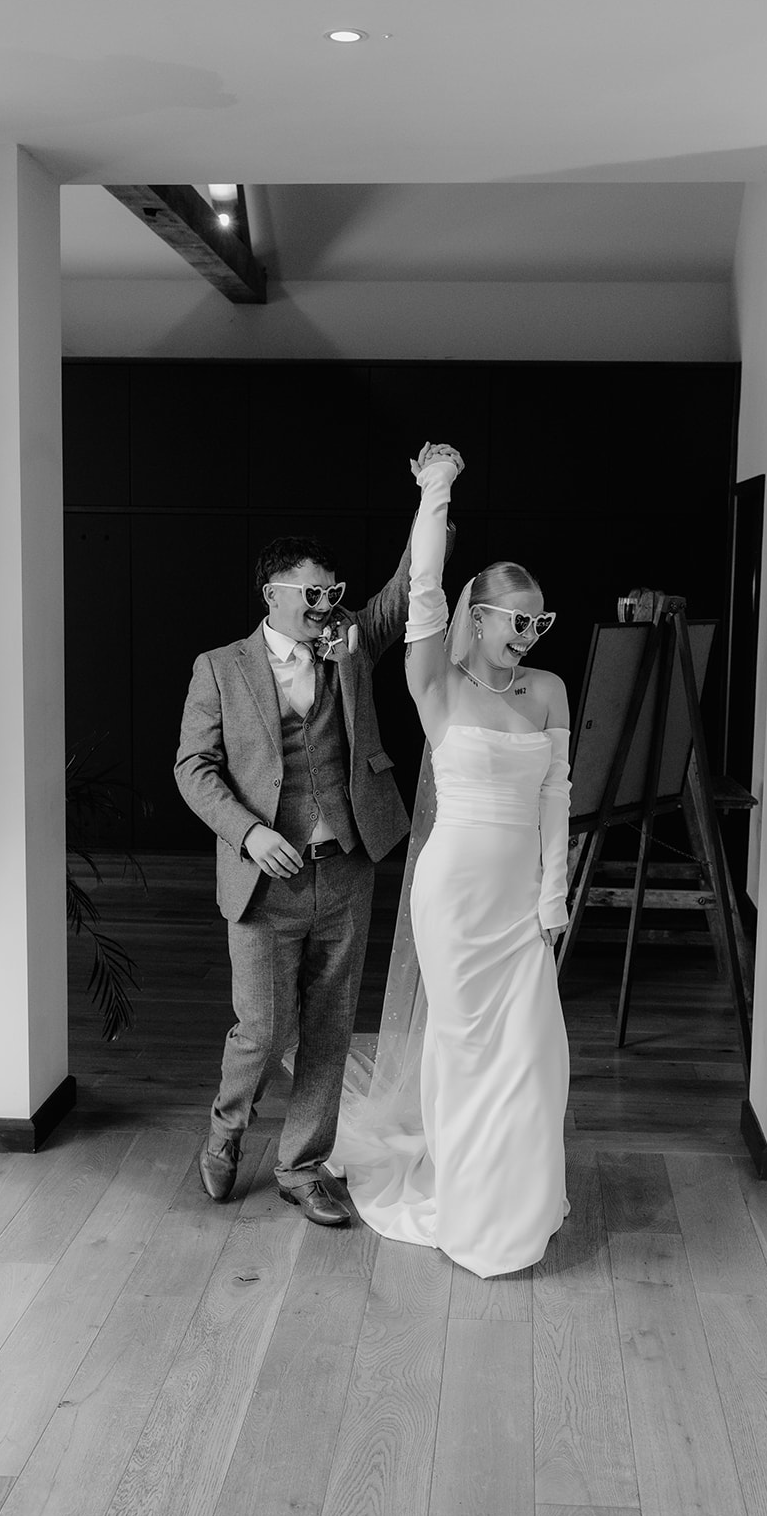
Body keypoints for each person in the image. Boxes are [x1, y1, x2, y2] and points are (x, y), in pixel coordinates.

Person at [339, 442, 572, 1278]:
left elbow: (556, 798)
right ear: (478, 617)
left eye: (540, 623)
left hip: (518, 905)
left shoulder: (546, 690)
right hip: (452, 900)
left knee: (535, 1058)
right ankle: (471, 1203)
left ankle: (519, 1201)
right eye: (519, 620)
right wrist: (436, 490)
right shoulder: (435, 684)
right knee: (468, 1052)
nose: (531, 635)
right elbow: (426, 587)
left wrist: (553, 901)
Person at [175, 530, 416, 1226]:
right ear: (271, 595)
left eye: (332, 593)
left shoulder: (349, 647)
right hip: (263, 882)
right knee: (261, 1028)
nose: (325, 606)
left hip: (345, 868)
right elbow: (193, 767)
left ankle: (302, 1167)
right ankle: (225, 1132)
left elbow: (402, 593)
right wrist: (248, 832)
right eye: (312, 593)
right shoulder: (220, 668)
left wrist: (436, 497)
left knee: (330, 1029)